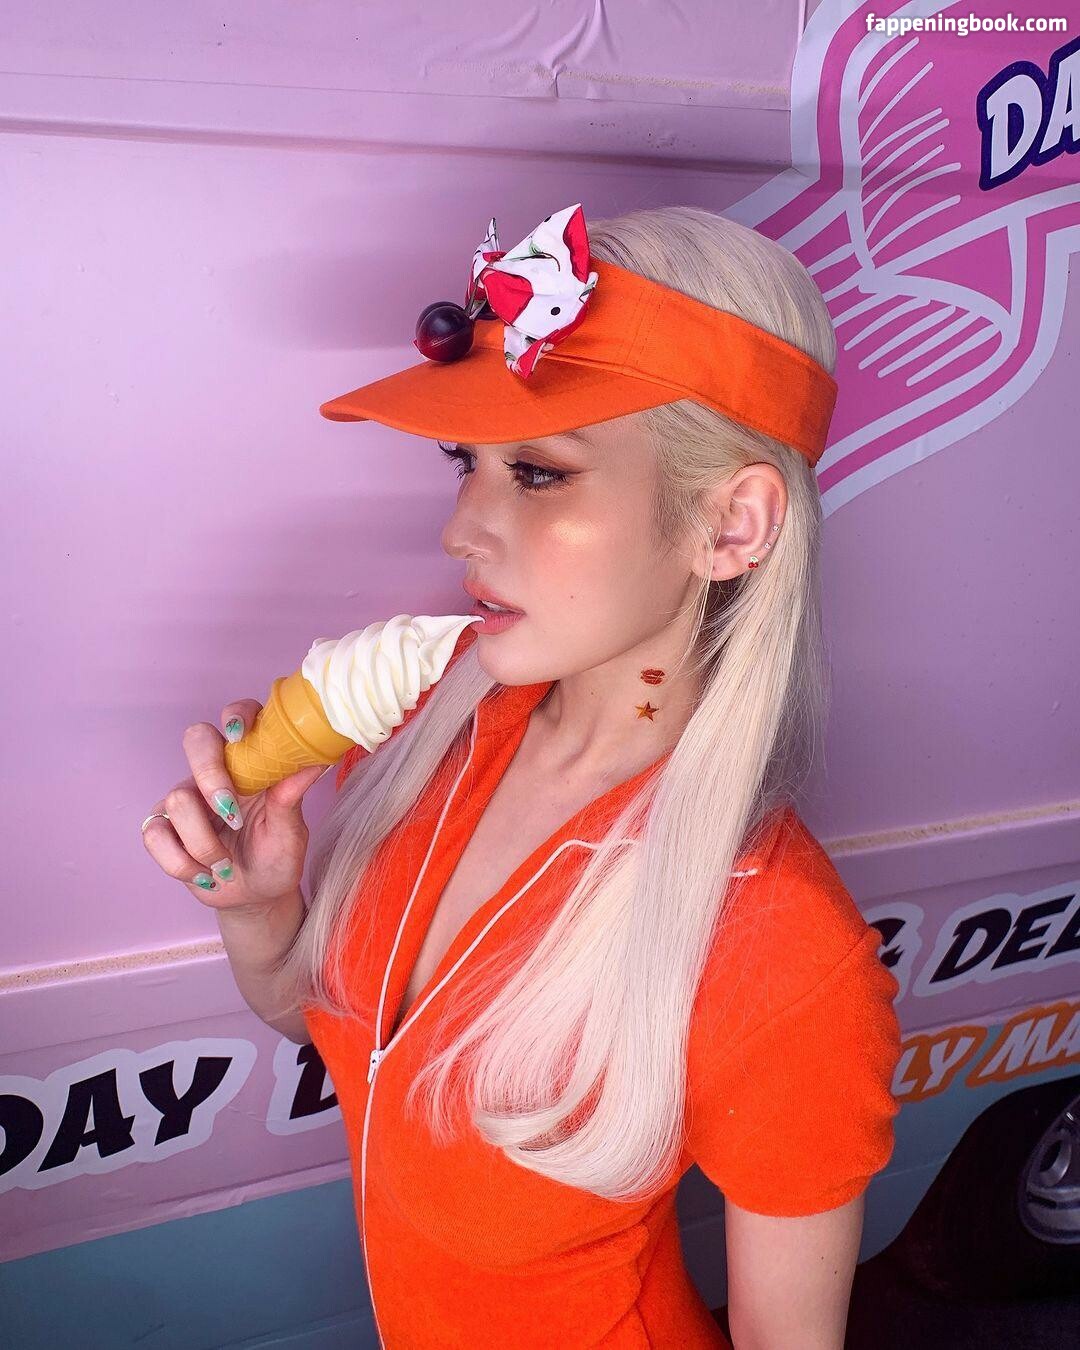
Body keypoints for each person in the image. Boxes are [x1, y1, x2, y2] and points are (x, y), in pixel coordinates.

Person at [143, 203, 903, 1348]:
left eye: (539, 473)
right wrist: (260, 912)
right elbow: (347, 1044)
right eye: (469, 463)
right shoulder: (426, 726)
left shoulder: (783, 951)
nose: (461, 530)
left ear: (733, 525)